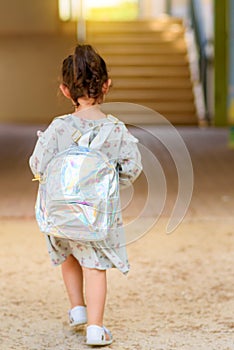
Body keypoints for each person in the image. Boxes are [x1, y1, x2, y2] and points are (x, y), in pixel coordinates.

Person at [29, 44, 142, 346]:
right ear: (106, 85)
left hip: (61, 215)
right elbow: (132, 168)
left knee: (68, 252)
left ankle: (77, 309)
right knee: (94, 265)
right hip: (96, 217)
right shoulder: (115, 130)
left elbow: (37, 164)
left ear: (65, 90)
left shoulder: (58, 127)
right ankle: (95, 327)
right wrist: (111, 178)